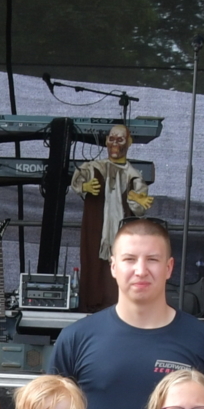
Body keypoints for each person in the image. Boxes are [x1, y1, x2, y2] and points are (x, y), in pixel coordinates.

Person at [47, 217, 204, 409]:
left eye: (152, 259)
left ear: (169, 267)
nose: (141, 270)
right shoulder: (75, 339)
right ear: (113, 266)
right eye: (130, 259)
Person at [71, 122, 152, 312]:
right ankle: (90, 305)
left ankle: (119, 307)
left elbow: (139, 206)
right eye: (112, 139)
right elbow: (77, 182)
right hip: (96, 228)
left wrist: (137, 202)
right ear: (106, 141)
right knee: (93, 263)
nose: (115, 144)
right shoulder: (93, 168)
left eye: (120, 139)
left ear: (128, 142)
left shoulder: (133, 176)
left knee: (120, 266)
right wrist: (84, 187)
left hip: (121, 234)